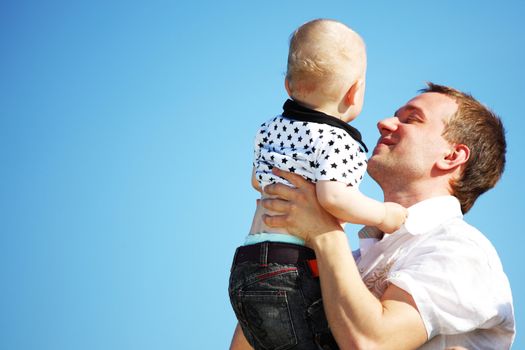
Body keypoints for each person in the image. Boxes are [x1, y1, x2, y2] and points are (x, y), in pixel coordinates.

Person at [231, 83, 515, 349]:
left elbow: (372, 342)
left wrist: (323, 231)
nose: (384, 123)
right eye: (395, 116)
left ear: (452, 157)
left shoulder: (460, 250)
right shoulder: (349, 260)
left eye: (412, 119)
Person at [229, 19, 407, 350]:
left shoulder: (270, 128)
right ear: (354, 91)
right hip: (290, 267)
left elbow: (258, 181)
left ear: (287, 86)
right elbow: (334, 197)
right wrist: (384, 215)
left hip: (247, 263)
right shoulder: (339, 140)